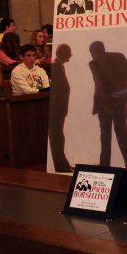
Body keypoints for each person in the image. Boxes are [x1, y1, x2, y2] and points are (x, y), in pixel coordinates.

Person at [89, 41, 127, 170]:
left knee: (105, 134)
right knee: (122, 131)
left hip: (103, 102)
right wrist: (119, 85)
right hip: (120, 99)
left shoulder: (94, 63)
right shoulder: (119, 55)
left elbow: (100, 83)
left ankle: (104, 164)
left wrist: (110, 91)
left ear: (93, 52)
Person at [48, 44, 73, 172]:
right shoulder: (56, 67)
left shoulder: (59, 66)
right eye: (69, 53)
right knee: (57, 137)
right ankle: (61, 165)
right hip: (56, 110)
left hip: (59, 110)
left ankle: (63, 163)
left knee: (59, 137)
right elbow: (58, 90)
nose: (71, 55)